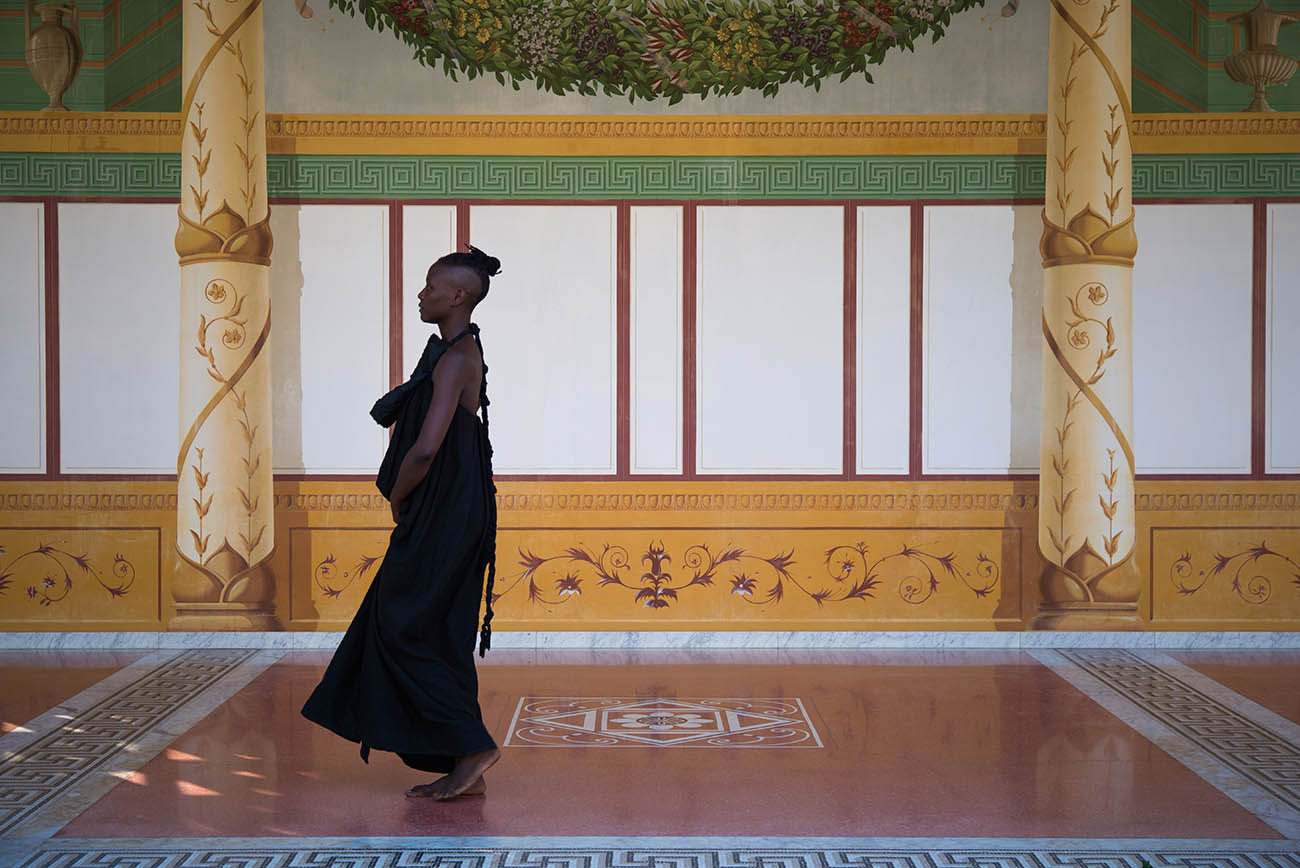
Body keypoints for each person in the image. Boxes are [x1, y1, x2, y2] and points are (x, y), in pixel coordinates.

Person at [301, 244, 502, 800]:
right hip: (451, 510)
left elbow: (424, 449)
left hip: (446, 513)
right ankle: (463, 756)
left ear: (459, 296)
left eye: (432, 287)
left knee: (404, 624)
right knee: (429, 626)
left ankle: (473, 746)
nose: (422, 294)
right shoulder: (450, 351)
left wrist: (397, 497)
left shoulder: (458, 357)